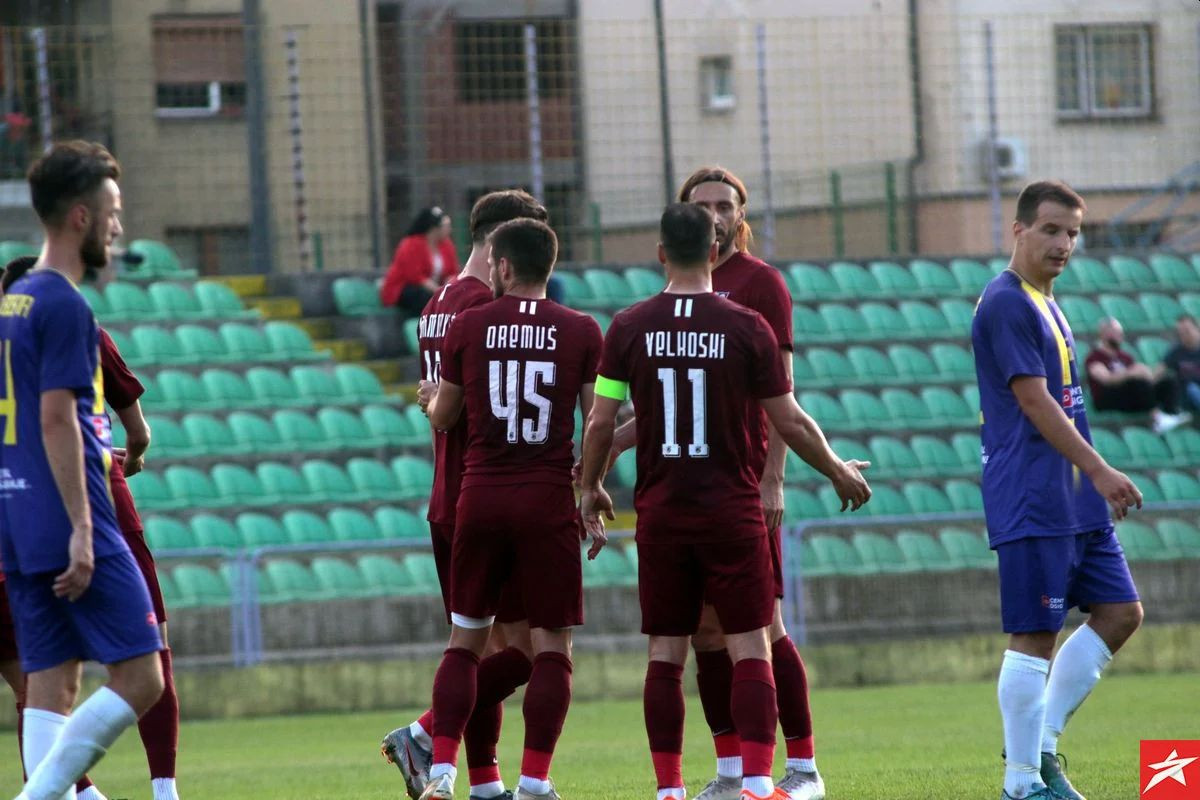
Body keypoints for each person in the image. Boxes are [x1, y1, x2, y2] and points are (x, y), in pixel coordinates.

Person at [577, 203, 871, 800]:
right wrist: (837, 469)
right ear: (716, 251)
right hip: (731, 511)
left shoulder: (629, 327)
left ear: (660, 253)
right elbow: (787, 418)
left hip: (662, 514)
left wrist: (590, 486)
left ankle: (669, 790)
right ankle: (760, 785)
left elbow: (602, 421)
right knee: (749, 644)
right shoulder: (746, 326)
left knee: (665, 652)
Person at [416, 218, 603, 800]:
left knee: (465, 643)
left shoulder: (469, 326)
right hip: (546, 500)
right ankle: (534, 781)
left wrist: (430, 401)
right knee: (552, 648)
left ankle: (441, 769)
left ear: (500, 266)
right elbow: (596, 421)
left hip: (480, 496)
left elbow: (445, 416)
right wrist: (591, 487)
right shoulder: (581, 330)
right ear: (550, 266)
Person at [1, 140, 164, 800]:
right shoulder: (67, 304)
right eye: (113, 210)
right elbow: (55, 419)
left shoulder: (12, 304)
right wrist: (81, 529)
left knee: (48, 689)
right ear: (80, 217)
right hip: (73, 516)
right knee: (142, 677)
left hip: (18, 520)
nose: (119, 226)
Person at [971, 180, 1144, 800]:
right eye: (1051, 229)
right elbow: (1033, 400)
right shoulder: (1006, 303)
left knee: (1121, 612)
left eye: (1073, 232)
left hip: (1074, 497)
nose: (1065, 243)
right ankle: (1020, 782)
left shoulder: (1047, 299)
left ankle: (1040, 750)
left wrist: (1090, 480)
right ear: (1018, 230)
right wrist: (1099, 468)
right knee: (1035, 634)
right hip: (1034, 493)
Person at [381, 189, 549, 800]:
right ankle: (425, 733)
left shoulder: (439, 303)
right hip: (487, 495)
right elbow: (484, 412)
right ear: (503, 245)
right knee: (532, 651)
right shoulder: (486, 309)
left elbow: (439, 407)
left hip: (447, 499)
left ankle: (485, 782)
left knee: (484, 646)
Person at [1083, 316, 1188, 433]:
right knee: (1137, 383)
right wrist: (1131, 373)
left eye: (1120, 332)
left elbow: (1140, 377)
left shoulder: (1125, 357)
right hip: (1107, 398)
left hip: (1129, 396)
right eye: (1115, 332)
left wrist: (1145, 374)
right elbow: (1106, 379)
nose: (1120, 335)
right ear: (1103, 334)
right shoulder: (1094, 357)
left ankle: (1170, 415)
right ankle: (1157, 418)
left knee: (1168, 382)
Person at [381, 206, 460, 316]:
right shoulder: (411, 244)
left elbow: (452, 271)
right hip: (405, 289)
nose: (449, 230)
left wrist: (448, 285)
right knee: (424, 297)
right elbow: (415, 277)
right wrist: (439, 291)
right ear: (433, 229)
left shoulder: (447, 245)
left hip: (434, 288)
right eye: (445, 226)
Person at [1163, 314, 1200, 413]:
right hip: (1187, 394)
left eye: (1187, 331)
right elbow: (1159, 371)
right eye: (1180, 333)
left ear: (1197, 329)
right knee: (1192, 389)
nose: (1184, 335)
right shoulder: (1175, 352)